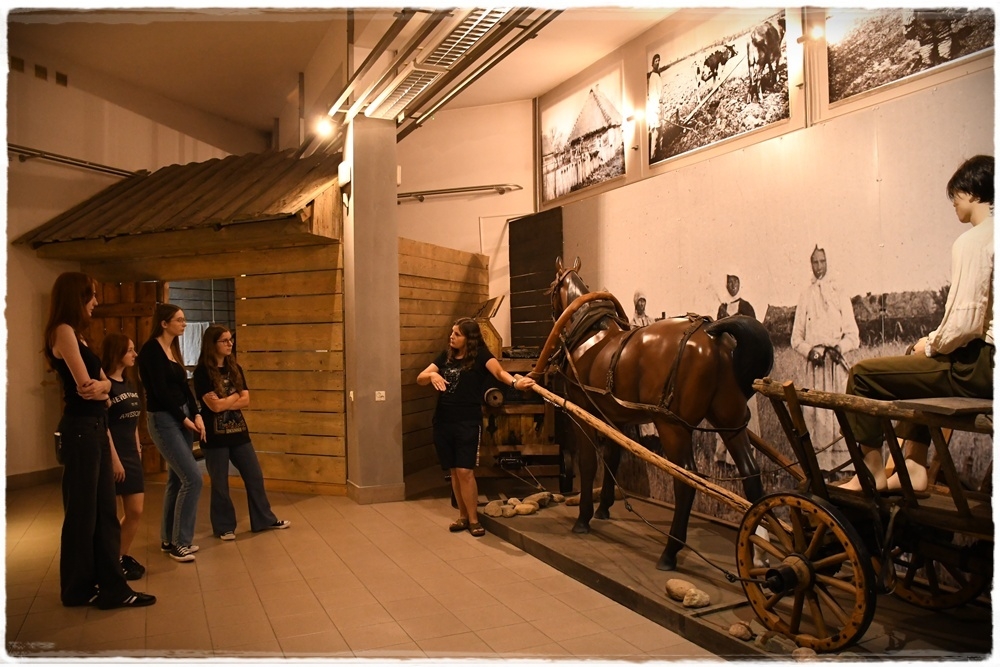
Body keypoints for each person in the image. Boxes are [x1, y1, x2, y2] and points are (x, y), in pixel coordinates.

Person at [842, 155, 994, 492]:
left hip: (983, 367)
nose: (953, 203)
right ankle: (912, 466)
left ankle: (871, 474)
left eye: (954, 196)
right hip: (988, 367)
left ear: (970, 192)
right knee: (923, 370)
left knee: (864, 375)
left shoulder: (975, 241)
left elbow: (965, 323)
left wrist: (933, 343)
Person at [44, 272, 155, 609]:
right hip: (81, 430)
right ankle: (91, 589)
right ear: (76, 297)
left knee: (102, 512)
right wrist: (103, 389)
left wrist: (104, 389)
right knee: (86, 514)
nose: (95, 302)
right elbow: (87, 387)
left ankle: (100, 587)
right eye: (90, 296)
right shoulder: (62, 332)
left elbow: (103, 384)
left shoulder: (77, 335)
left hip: (92, 427)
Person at [417, 318, 536, 537]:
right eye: (451, 332)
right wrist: (433, 374)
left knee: (465, 471)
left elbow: (500, 373)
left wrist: (515, 383)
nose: (451, 336)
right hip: (443, 421)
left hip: (467, 421)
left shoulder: (481, 356)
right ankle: (462, 517)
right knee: (454, 471)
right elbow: (420, 378)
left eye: (457, 334)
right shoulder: (446, 357)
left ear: (469, 339)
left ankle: (474, 519)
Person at [193, 325, 290, 539]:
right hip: (215, 436)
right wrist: (235, 397)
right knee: (220, 483)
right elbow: (214, 407)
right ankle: (224, 527)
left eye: (231, 340)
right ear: (213, 344)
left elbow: (247, 399)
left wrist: (228, 400)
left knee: (254, 475)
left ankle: (264, 519)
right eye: (224, 341)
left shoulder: (235, 368)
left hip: (238, 432)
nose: (230, 344)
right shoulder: (202, 373)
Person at [138, 304, 205, 563]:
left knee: (176, 480)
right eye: (179, 320)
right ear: (164, 323)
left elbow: (183, 385)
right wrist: (184, 419)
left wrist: (196, 413)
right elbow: (159, 393)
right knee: (193, 478)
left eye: (184, 320)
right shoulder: (150, 351)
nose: (184, 324)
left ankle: (168, 538)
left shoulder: (173, 349)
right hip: (165, 419)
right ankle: (180, 542)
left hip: (183, 415)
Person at [791, 246, 860, 470]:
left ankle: (844, 470)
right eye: (815, 262)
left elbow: (853, 336)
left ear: (827, 262)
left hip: (836, 366)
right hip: (816, 369)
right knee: (816, 416)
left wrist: (838, 348)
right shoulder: (805, 295)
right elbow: (796, 338)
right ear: (810, 264)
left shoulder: (839, 292)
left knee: (838, 416)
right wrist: (811, 351)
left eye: (822, 261)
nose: (819, 266)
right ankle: (820, 471)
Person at [100, 333, 146, 581]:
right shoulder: (105, 384)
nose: (134, 354)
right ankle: (109, 559)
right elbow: (105, 426)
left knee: (136, 510)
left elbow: (135, 420)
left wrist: (138, 449)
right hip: (113, 453)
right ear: (117, 353)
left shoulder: (128, 382)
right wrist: (115, 460)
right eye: (130, 350)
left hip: (130, 451)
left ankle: (120, 555)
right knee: (109, 512)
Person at [647, 53, 665, 157]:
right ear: (652, 63)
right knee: (655, 132)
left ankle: (661, 150)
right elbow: (653, 94)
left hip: (660, 106)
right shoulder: (653, 76)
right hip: (655, 108)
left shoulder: (658, 75)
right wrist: (656, 108)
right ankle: (653, 155)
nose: (657, 63)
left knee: (661, 129)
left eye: (659, 61)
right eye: (656, 61)